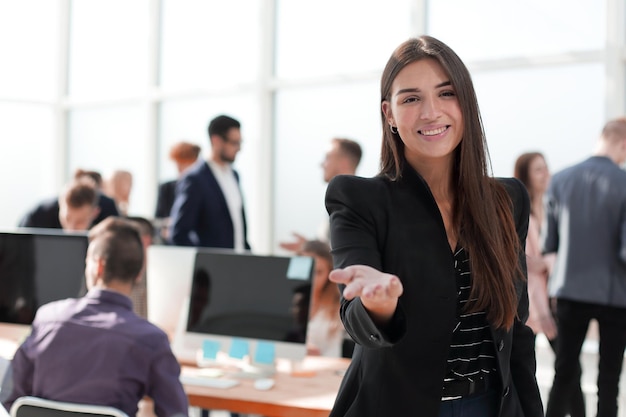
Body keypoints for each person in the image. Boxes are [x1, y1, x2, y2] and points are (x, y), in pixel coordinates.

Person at [324, 36, 543, 417]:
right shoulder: (358, 198)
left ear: (466, 102)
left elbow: (516, 328)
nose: (431, 112)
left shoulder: (508, 200)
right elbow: (357, 318)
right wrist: (379, 306)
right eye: (410, 99)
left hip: (490, 406)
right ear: (388, 114)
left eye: (446, 93)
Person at [3, 217, 188, 417]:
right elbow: (176, 413)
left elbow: (10, 398)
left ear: (98, 266)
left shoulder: (47, 319)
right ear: (139, 274)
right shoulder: (151, 340)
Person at [543, 117, 626, 417]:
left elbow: (549, 244)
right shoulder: (624, 182)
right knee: (609, 381)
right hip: (615, 295)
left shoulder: (560, 179)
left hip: (569, 290)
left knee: (563, 372)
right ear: (622, 143)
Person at [169, 115, 250, 251]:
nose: (239, 148)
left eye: (240, 142)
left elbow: (237, 228)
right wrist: (204, 262)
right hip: (212, 267)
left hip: (239, 263)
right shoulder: (195, 179)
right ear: (216, 141)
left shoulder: (234, 175)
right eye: (234, 143)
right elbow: (179, 233)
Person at [280, 137, 362, 252]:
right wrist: (309, 247)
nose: (322, 164)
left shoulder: (356, 203)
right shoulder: (338, 200)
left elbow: (346, 250)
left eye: (327, 158)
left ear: (344, 162)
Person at [299, 240, 345, 357]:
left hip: (324, 367)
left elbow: (333, 354)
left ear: (328, 273)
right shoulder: (287, 301)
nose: (311, 278)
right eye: (307, 270)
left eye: (318, 272)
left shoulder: (337, 305)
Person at [18, 178, 101, 231]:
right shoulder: (37, 216)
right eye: (67, 218)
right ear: (60, 205)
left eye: (80, 222)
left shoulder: (106, 229)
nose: (71, 229)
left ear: (94, 213)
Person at [155, 141, 202, 220]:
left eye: (184, 163)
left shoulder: (202, 188)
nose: (179, 168)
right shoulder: (166, 188)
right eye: (178, 163)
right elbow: (158, 218)